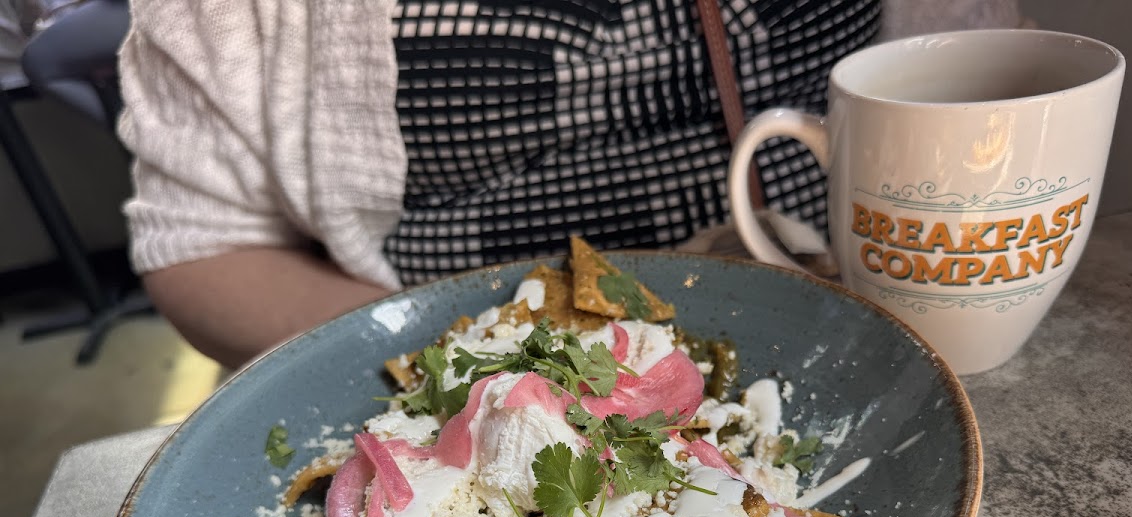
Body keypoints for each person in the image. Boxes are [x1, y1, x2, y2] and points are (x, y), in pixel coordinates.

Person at [117, 0, 1016, 369]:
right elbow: (201, 246)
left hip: (880, 342)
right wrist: (488, 366)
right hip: (465, 380)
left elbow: (987, 76)